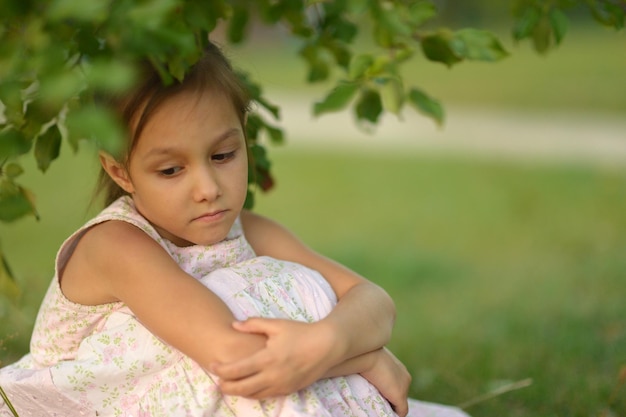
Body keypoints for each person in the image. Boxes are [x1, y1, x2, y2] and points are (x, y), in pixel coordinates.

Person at [0, 42, 469, 417]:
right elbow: (239, 362)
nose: (208, 189)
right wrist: (366, 358)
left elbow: (373, 300)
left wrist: (328, 340)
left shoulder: (251, 231)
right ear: (121, 173)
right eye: (170, 170)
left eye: (223, 156)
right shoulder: (116, 245)